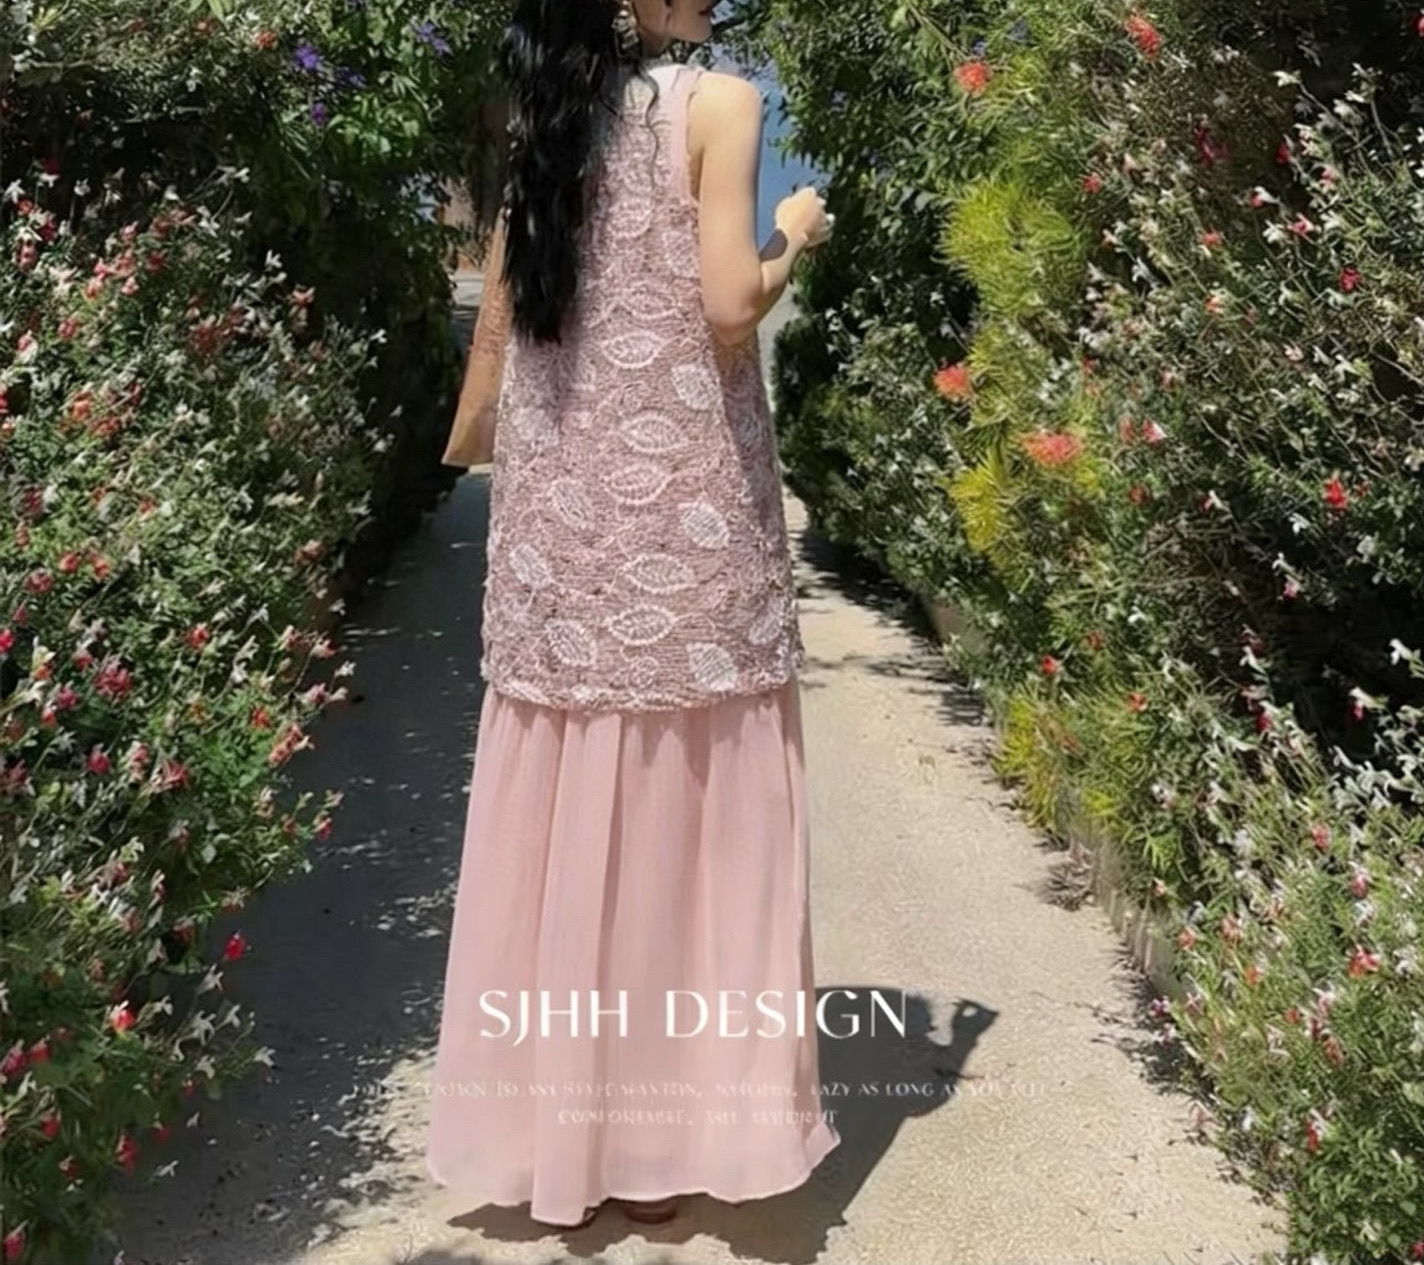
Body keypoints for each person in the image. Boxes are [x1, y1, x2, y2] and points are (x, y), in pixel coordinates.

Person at [424, 0, 839, 1233]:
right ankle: (661, 1139)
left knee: (566, 810)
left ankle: (558, 1138)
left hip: (560, 520)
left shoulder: (557, 118)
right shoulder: (719, 103)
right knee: (685, 819)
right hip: (688, 521)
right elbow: (728, 305)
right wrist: (791, 234)